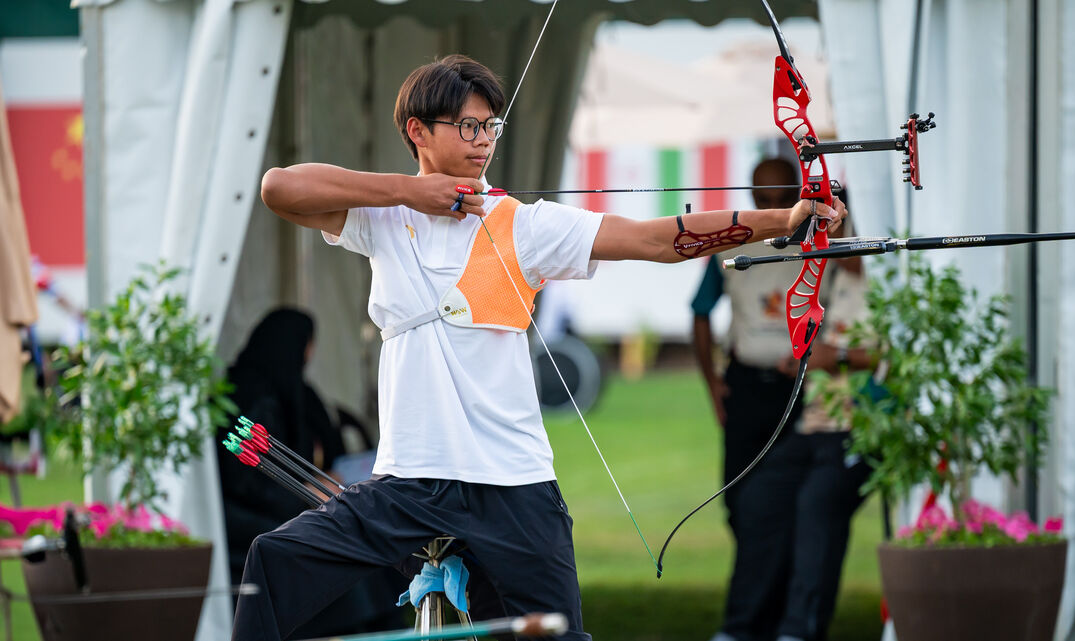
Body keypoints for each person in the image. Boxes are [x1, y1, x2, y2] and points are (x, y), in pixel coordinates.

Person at [234, 55, 847, 641]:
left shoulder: (525, 226)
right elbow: (278, 187)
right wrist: (408, 192)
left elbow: (656, 240)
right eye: (467, 125)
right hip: (411, 483)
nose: (483, 140)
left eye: (490, 126)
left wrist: (783, 221)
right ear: (417, 130)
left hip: (515, 487)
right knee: (274, 562)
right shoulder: (385, 219)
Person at [691, 158, 870, 641]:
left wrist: (831, 227)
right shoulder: (735, 242)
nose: (772, 209)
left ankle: (785, 622)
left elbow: (856, 278)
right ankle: (752, 618)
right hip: (749, 385)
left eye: (780, 199)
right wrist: (714, 385)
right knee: (746, 503)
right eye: (762, 201)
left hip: (807, 395)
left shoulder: (821, 240)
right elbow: (700, 312)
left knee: (800, 506)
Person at [217, 308, 405, 638]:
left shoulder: (295, 390)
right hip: (248, 514)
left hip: (288, 500)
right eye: (308, 344)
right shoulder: (250, 396)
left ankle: (381, 625)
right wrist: (305, 488)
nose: (311, 352)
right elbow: (246, 483)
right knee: (342, 542)